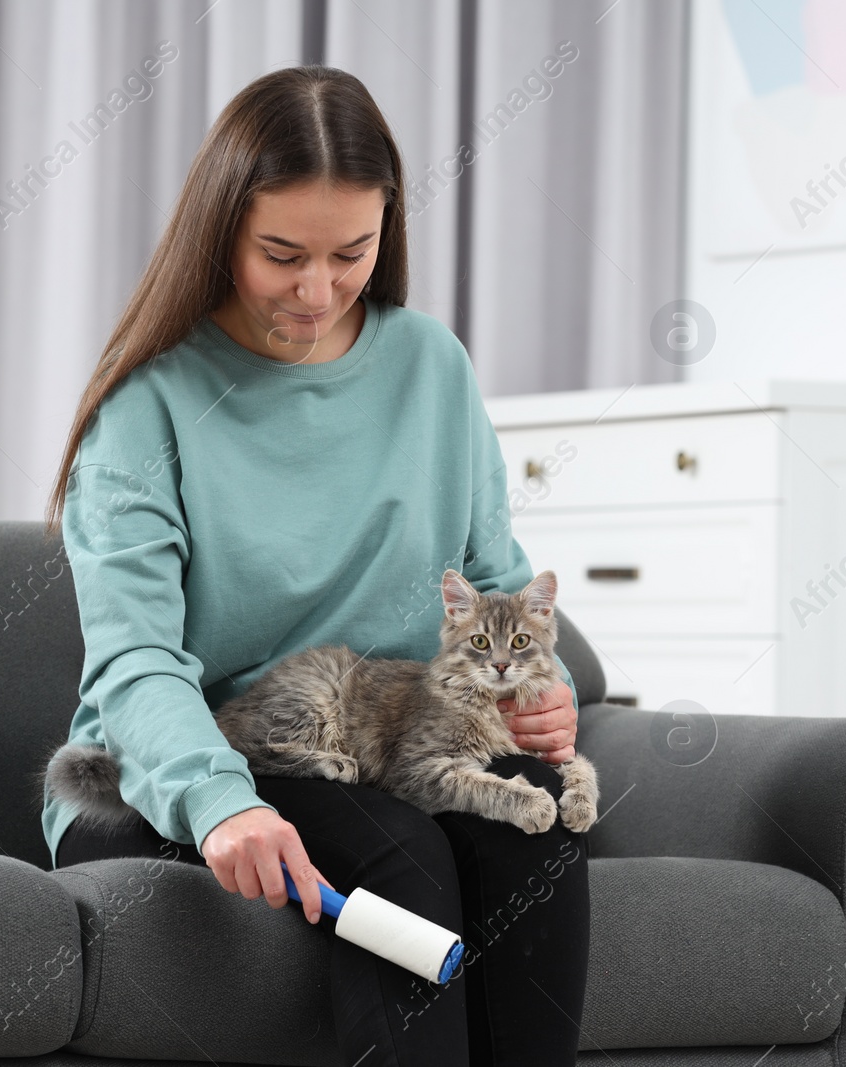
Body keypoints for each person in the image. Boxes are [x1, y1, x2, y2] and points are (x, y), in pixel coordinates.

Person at [36, 64, 591, 1066]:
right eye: (281, 253)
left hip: (387, 743)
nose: (317, 289)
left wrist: (543, 698)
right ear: (222, 232)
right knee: (401, 855)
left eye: (351, 253)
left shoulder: (430, 366)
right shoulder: (146, 410)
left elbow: (498, 576)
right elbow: (134, 666)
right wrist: (222, 800)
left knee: (535, 841)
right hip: (188, 764)